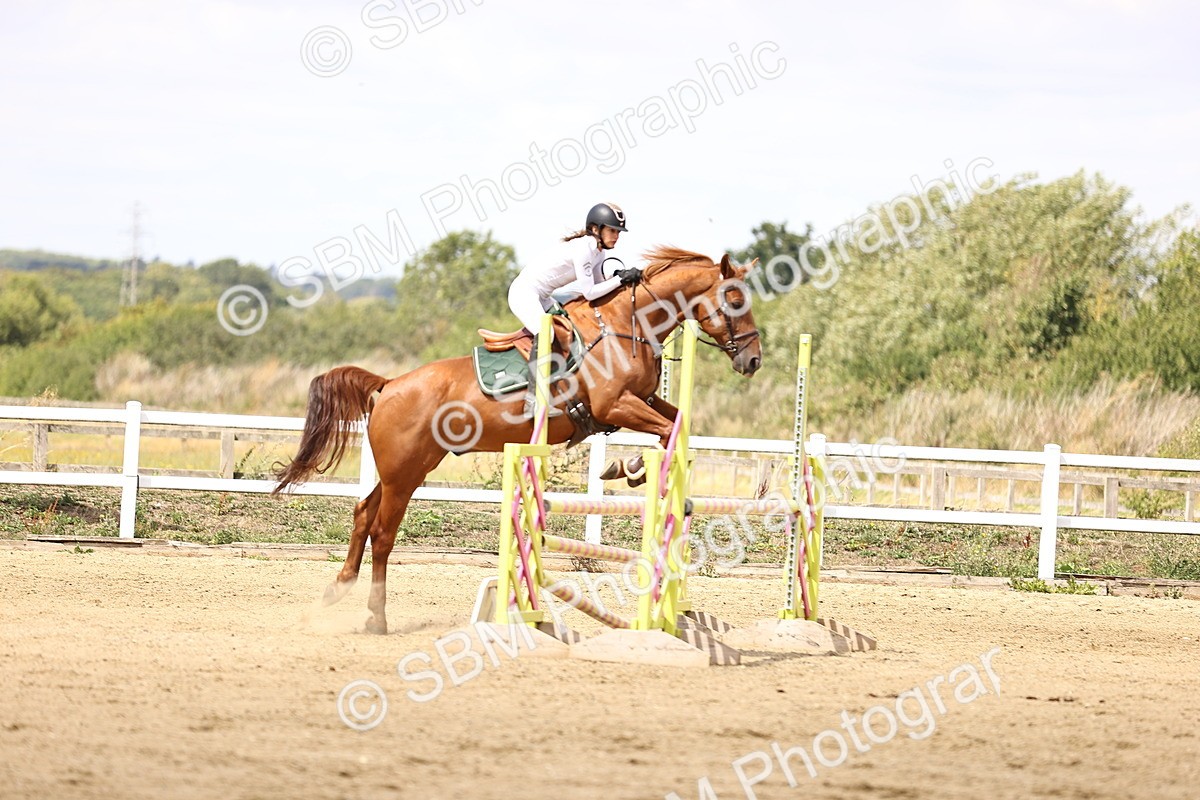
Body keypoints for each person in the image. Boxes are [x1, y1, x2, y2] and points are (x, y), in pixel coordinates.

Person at [508, 202, 641, 416]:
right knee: (547, 334)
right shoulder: (584, 248)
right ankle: (532, 402)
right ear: (596, 229)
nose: (616, 236)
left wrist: (619, 278)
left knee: (568, 329)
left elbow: (599, 287)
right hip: (524, 293)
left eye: (618, 232)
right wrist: (619, 281)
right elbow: (589, 293)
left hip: (542, 296)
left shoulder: (598, 253)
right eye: (612, 230)